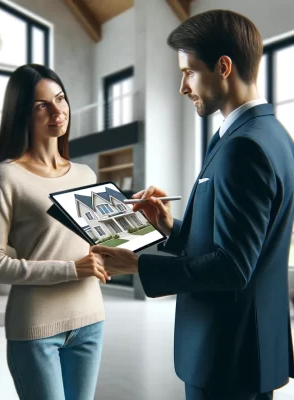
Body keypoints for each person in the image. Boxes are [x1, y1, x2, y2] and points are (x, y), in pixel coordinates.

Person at [92, 9, 294, 400]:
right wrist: (171, 227)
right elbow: (242, 246)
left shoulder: (243, 147)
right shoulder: (272, 135)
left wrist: (138, 265)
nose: (182, 86)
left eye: (188, 71)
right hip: (248, 351)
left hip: (225, 355)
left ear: (223, 67)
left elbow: (233, 268)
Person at [0, 63, 108, 400]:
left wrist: (136, 222)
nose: (57, 110)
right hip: (36, 330)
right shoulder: (7, 176)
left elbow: (106, 247)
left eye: (60, 99)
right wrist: (70, 269)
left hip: (91, 321)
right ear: (23, 113)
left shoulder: (85, 174)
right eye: (41, 105)